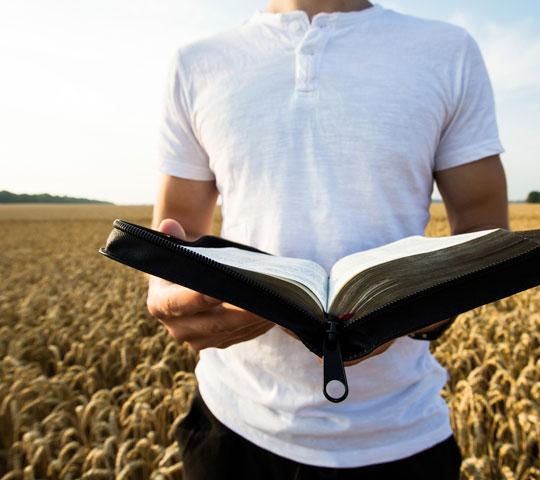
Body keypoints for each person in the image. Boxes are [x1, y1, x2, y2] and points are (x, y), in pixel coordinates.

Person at [146, 0, 509, 478]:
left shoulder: (448, 51)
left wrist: (419, 316)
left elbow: (482, 227)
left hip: (400, 432)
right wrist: (169, 293)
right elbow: (176, 233)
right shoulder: (196, 62)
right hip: (231, 425)